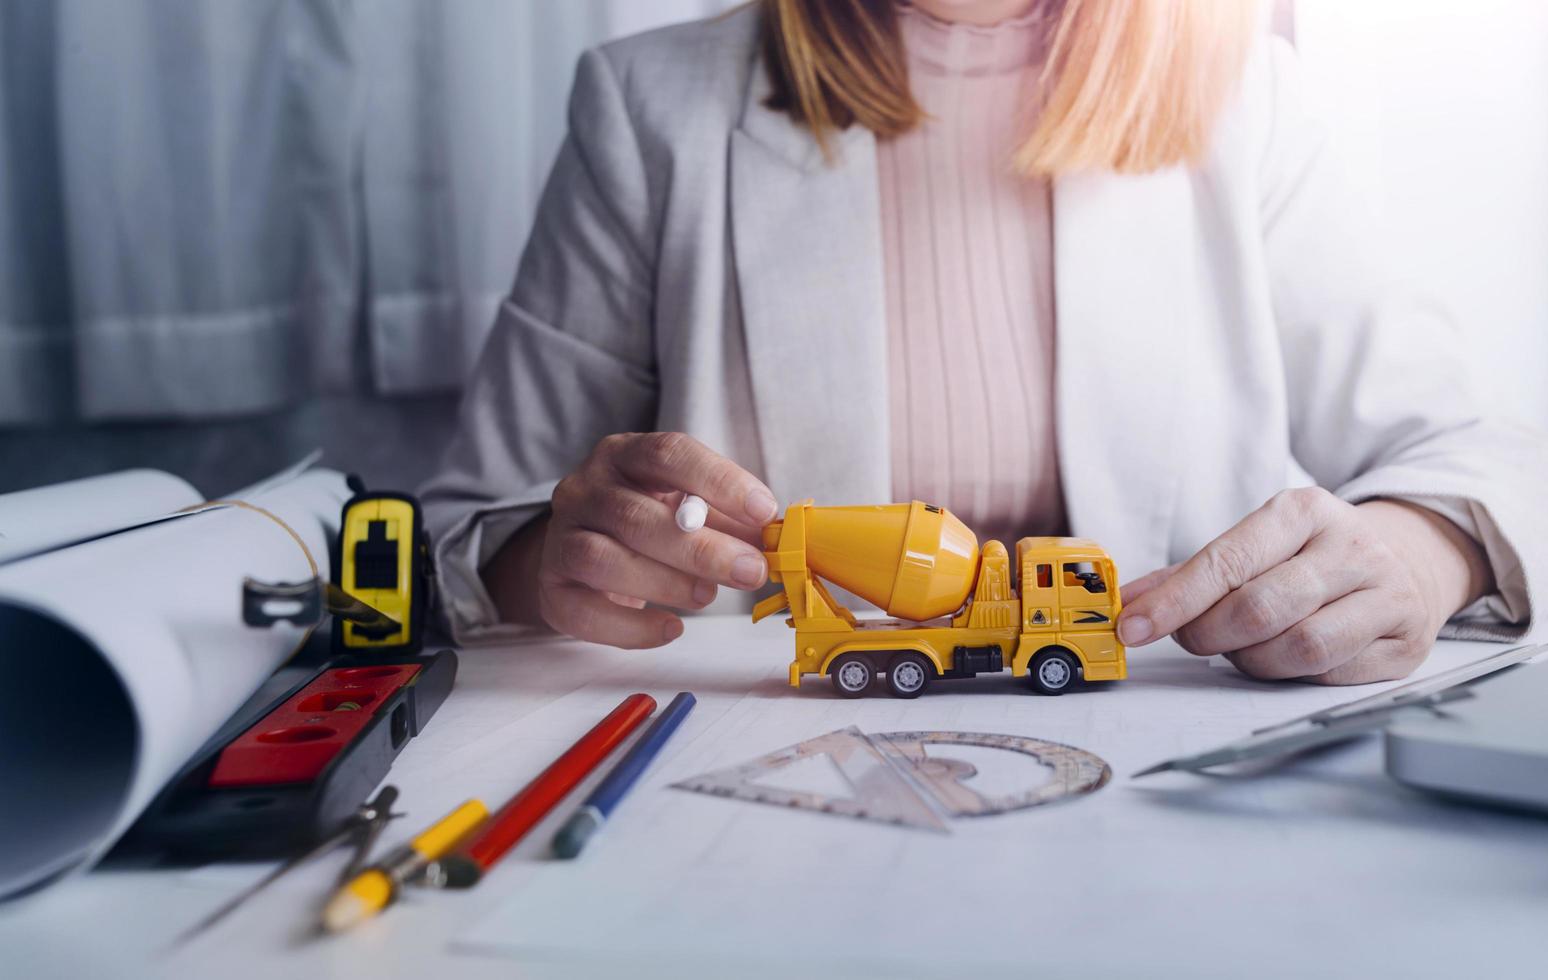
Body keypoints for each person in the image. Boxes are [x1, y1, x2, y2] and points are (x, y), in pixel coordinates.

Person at [420, 0, 1544, 684]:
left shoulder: (1251, 92)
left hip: (1167, 767)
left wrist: (1419, 553)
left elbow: (1468, 456)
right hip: (770, 759)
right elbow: (472, 530)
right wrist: (558, 561)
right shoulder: (646, 103)